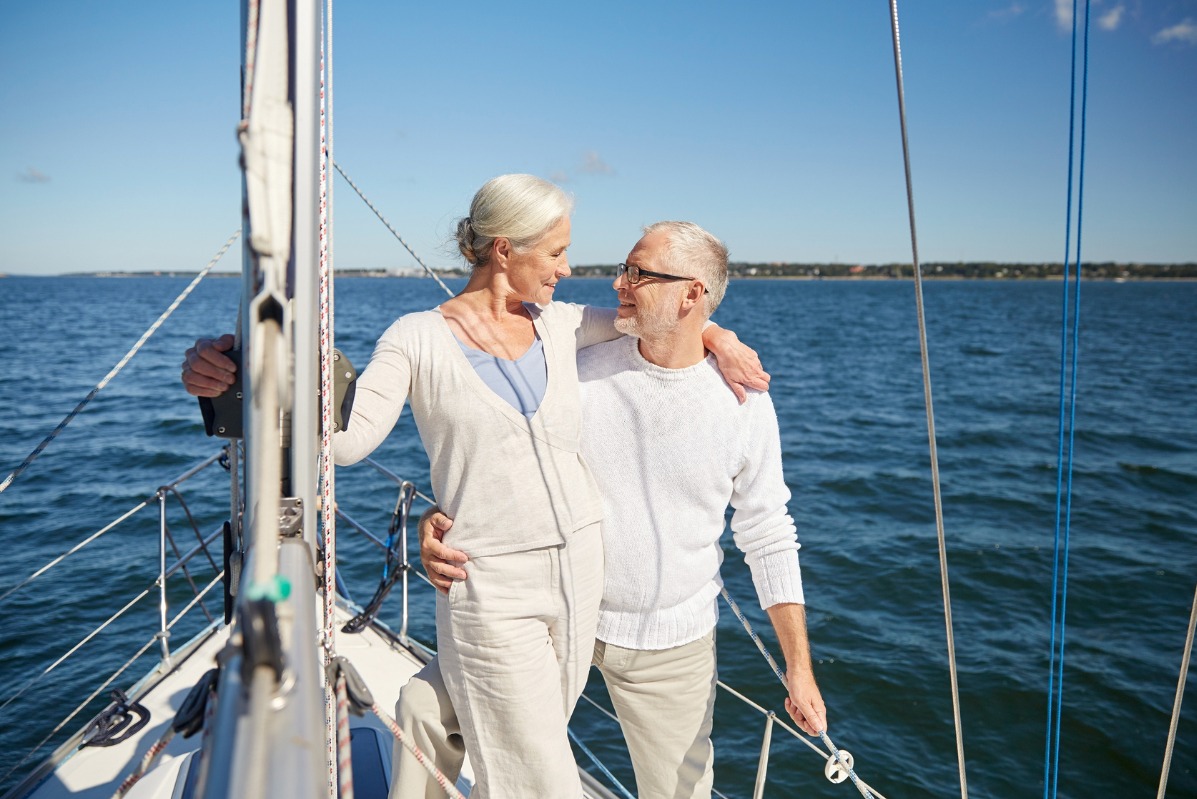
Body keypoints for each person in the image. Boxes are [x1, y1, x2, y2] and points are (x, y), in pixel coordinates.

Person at [180, 176, 767, 799]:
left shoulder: (564, 325)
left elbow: (658, 321)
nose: (568, 270)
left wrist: (722, 339)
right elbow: (346, 443)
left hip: (580, 577)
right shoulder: (416, 338)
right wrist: (228, 379)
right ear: (505, 250)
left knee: (511, 756)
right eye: (556, 252)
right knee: (538, 778)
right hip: (486, 583)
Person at [412, 221, 826, 799]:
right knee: (423, 712)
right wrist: (441, 518)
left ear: (691, 295)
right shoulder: (575, 369)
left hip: (669, 644)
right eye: (622, 269)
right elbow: (497, 453)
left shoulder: (743, 404)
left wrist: (798, 667)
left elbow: (768, 532)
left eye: (639, 274)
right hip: (551, 614)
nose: (618, 284)